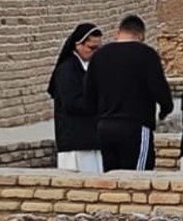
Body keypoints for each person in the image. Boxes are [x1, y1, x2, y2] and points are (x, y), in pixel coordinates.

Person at [84, 14, 173, 172]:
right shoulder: (146, 55)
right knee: (138, 178)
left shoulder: (99, 55)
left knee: (112, 177)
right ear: (141, 35)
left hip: (105, 127)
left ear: (118, 32)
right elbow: (159, 89)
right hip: (136, 126)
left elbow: (89, 94)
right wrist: (165, 110)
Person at [47, 23, 104, 173]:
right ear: (78, 45)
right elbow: (71, 104)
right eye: (92, 48)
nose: (96, 53)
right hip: (75, 141)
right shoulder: (67, 70)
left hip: (92, 139)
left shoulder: (90, 67)